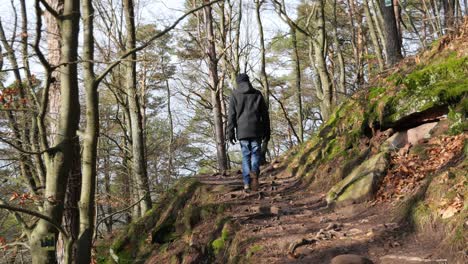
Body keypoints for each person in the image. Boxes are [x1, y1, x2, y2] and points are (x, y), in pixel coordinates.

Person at [227, 73, 270, 192]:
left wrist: (230, 132)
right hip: (256, 129)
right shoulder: (257, 94)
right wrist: (267, 131)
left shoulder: (235, 95)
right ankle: (255, 173)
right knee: (255, 154)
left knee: (246, 155)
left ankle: (246, 183)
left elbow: (231, 115)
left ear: (238, 82)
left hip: (242, 131)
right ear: (248, 81)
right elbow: (265, 115)